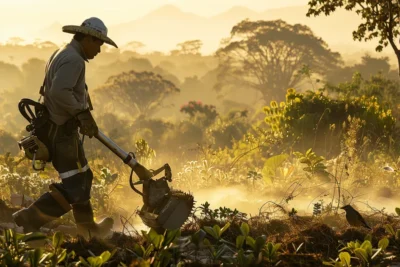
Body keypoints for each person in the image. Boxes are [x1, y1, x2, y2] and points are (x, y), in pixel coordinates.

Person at [12, 17, 118, 238]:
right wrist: (81, 113)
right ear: (88, 38)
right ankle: (28, 219)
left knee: (83, 177)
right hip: (60, 131)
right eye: (98, 44)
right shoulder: (74, 60)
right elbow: (59, 92)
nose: (99, 50)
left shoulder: (63, 52)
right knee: (74, 185)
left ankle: (88, 228)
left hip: (58, 127)